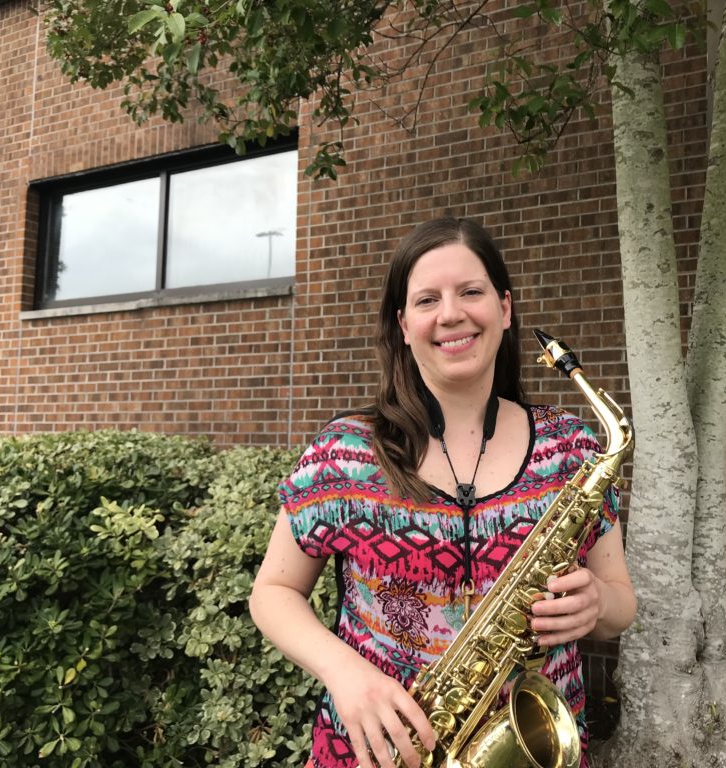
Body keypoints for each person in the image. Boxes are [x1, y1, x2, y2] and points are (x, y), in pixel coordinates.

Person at [249, 217, 637, 768]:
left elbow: (621, 603)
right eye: (428, 299)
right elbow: (272, 592)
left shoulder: (571, 449)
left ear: (504, 309)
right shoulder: (347, 452)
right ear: (404, 325)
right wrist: (345, 673)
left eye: (471, 292)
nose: (451, 313)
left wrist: (598, 603)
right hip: (378, 751)